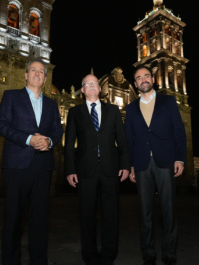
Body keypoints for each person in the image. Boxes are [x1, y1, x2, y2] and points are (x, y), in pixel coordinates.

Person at [0, 58, 63, 265]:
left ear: (44, 78)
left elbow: (58, 130)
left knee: (40, 219)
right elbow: (0, 124)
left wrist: (49, 141)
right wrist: (28, 139)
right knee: (13, 218)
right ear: (26, 75)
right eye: (33, 70)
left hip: (43, 165)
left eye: (41, 71)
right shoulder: (11, 96)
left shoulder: (52, 104)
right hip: (16, 164)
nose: (37, 73)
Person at [65, 74, 130, 265]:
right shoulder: (75, 112)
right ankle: (90, 255)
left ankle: (109, 254)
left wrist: (125, 164)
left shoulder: (114, 111)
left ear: (100, 89)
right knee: (87, 214)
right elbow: (69, 144)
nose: (92, 86)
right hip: (85, 169)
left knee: (111, 214)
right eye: (87, 84)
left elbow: (123, 141)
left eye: (95, 83)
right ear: (82, 90)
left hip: (111, 168)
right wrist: (70, 169)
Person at [126, 65, 186, 265]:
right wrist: (131, 165)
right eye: (139, 78)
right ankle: (148, 253)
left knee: (169, 210)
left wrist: (180, 158)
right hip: (142, 164)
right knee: (145, 212)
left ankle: (169, 253)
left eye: (146, 76)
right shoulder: (131, 108)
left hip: (165, 161)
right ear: (135, 84)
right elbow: (129, 140)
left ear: (152, 79)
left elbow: (179, 131)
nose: (143, 79)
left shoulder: (168, 102)